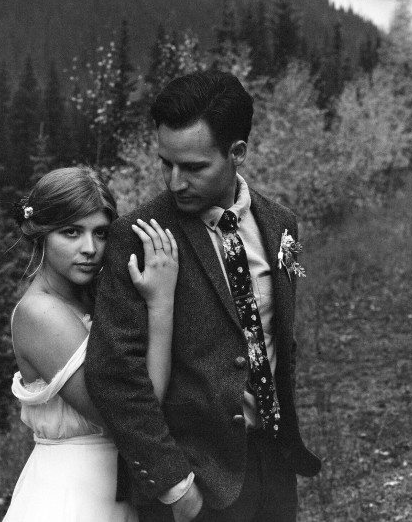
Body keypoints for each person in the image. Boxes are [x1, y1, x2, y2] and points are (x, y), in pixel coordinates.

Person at [86, 70, 322, 522]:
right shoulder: (136, 238)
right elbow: (114, 376)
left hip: (275, 469)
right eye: (166, 164)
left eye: (194, 167)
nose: (175, 182)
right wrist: (175, 486)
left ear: (237, 153)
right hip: (194, 484)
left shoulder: (282, 226)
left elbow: (280, 336)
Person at [3, 166, 179, 522]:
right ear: (41, 234)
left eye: (101, 233)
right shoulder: (40, 313)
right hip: (69, 498)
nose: (90, 249)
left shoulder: (93, 298)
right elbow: (134, 413)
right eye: (71, 232)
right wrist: (161, 303)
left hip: (117, 490)